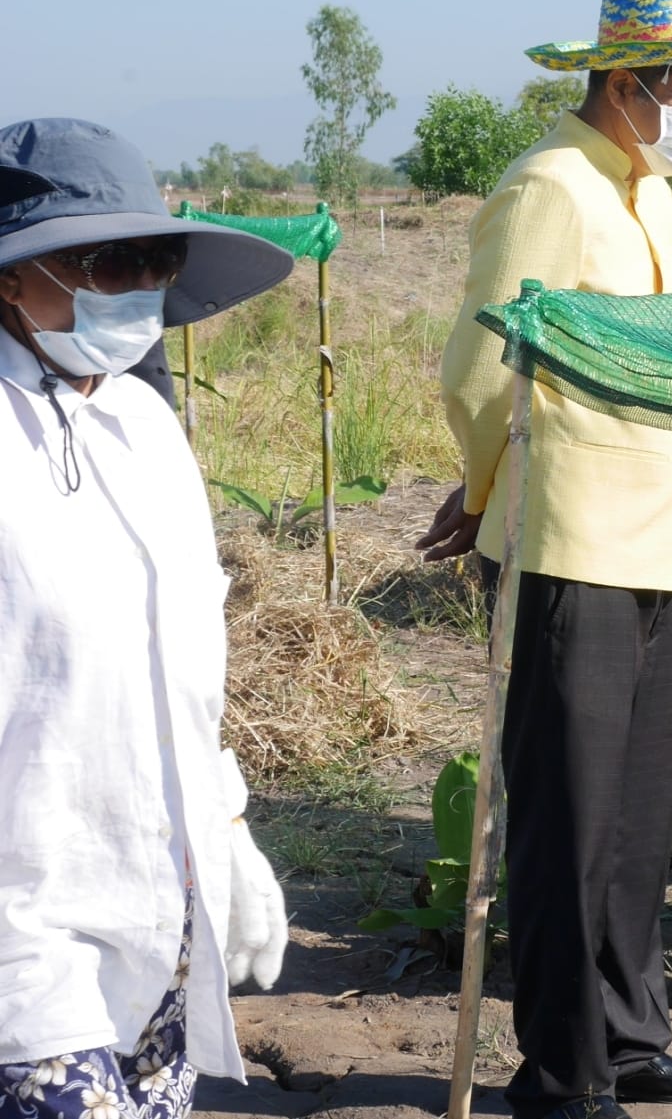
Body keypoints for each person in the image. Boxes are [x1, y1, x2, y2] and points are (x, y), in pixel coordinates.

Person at [422, 0, 672, 1119]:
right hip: (568, 540)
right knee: (567, 819)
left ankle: (631, 1034)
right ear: (630, 84)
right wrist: (487, 495)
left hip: (652, 545)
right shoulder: (551, 186)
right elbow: (487, 367)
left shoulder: (639, 191)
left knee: (634, 817)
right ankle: (562, 1070)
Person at [0, 118, 296, 1119]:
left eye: (156, 261)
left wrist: (228, 820)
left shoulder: (144, 425)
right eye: (110, 261)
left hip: (160, 903)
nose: (137, 288)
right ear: (11, 276)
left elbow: (182, 664)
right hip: (25, 917)